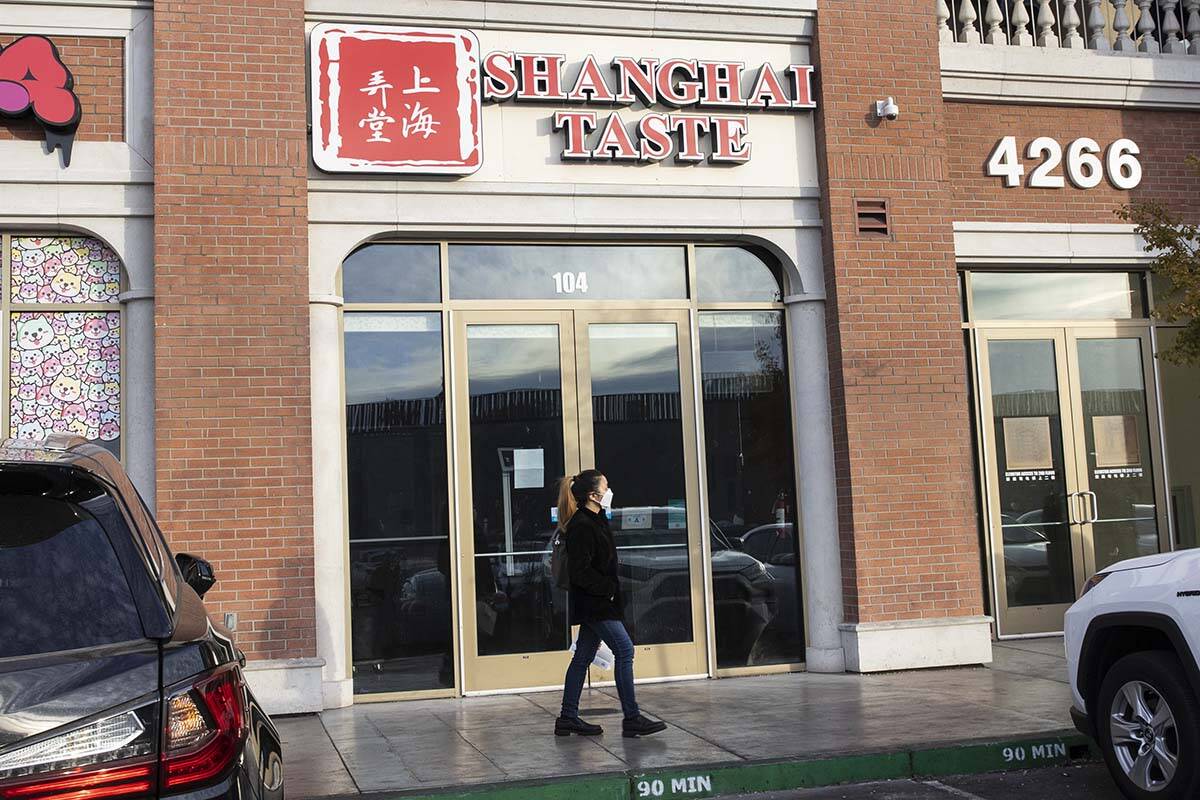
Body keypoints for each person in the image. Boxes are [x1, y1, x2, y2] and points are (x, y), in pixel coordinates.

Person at [554, 469, 668, 739]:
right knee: (624, 650)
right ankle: (632, 717)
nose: (609, 490)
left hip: (600, 602)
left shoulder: (596, 520)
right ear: (594, 495)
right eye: (606, 486)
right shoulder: (582, 525)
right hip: (596, 604)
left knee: (582, 657)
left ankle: (567, 718)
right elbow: (580, 572)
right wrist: (608, 590)